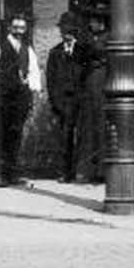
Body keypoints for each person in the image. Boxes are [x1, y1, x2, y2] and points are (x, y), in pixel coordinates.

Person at [0, 12, 42, 187]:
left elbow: (34, 71)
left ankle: (13, 174)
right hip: (2, 97)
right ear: (9, 28)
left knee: (16, 134)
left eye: (22, 28)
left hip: (20, 98)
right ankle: (0, 175)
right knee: (1, 134)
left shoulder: (27, 49)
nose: (19, 31)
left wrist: (35, 89)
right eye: (16, 28)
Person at [45, 13, 86, 182]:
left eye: (69, 30)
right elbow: (51, 79)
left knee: (84, 135)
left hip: (82, 100)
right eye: (63, 30)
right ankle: (65, 172)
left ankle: (83, 172)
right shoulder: (55, 52)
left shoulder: (83, 51)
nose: (66, 34)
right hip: (64, 102)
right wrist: (56, 101)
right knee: (65, 137)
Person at [74, 12, 109, 185]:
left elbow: (100, 53)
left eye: (93, 22)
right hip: (89, 85)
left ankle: (102, 170)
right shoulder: (88, 38)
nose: (91, 24)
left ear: (101, 23)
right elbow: (80, 55)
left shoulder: (108, 38)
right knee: (88, 127)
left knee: (101, 127)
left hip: (101, 85)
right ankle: (88, 170)